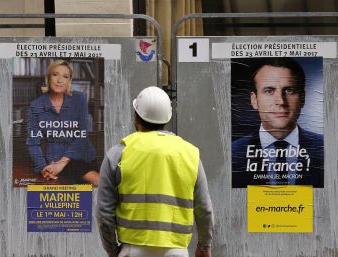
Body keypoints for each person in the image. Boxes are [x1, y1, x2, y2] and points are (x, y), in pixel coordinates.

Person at [97, 86, 214, 257]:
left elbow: (103, 214)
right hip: (176, 251)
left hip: (132, 249)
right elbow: (204, 209)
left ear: (136, 117)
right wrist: (204, 245)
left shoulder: (118, 154)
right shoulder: (190, 154)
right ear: (167, 118)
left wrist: (113, 250)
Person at [232, 57, 323, 188]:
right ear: (254, 100)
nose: (280, 101)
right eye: (269, 91)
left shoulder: (326, 149)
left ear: (302, 98)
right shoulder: (232, 154)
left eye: (289, 90)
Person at [26, 59, 99, 185]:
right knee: (99, 184)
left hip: (83, 154)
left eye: (65, 76)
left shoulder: (79, 98)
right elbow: (33, 142)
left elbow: (82, 134)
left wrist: (63, 162)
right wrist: (43, 167)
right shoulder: (36, 105)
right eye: (55, 75)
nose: (60, 80)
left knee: (103, 183)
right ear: (48, 78)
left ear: (69, 81)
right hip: (55, 160)